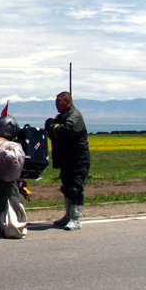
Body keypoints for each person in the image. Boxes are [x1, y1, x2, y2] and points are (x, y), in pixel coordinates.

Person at [45, 92, 90, 231]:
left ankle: (76, 219)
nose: (56, 104)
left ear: (68, 101)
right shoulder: (62, 116)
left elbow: (65, 130)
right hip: (66, 158)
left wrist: (54, 127)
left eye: (59, 101)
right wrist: (53, 127)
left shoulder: (74, 115)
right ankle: (68, 215)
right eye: (56, 101)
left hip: (78, 159)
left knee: (75, 188)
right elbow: (49, 126)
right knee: (66, 187)